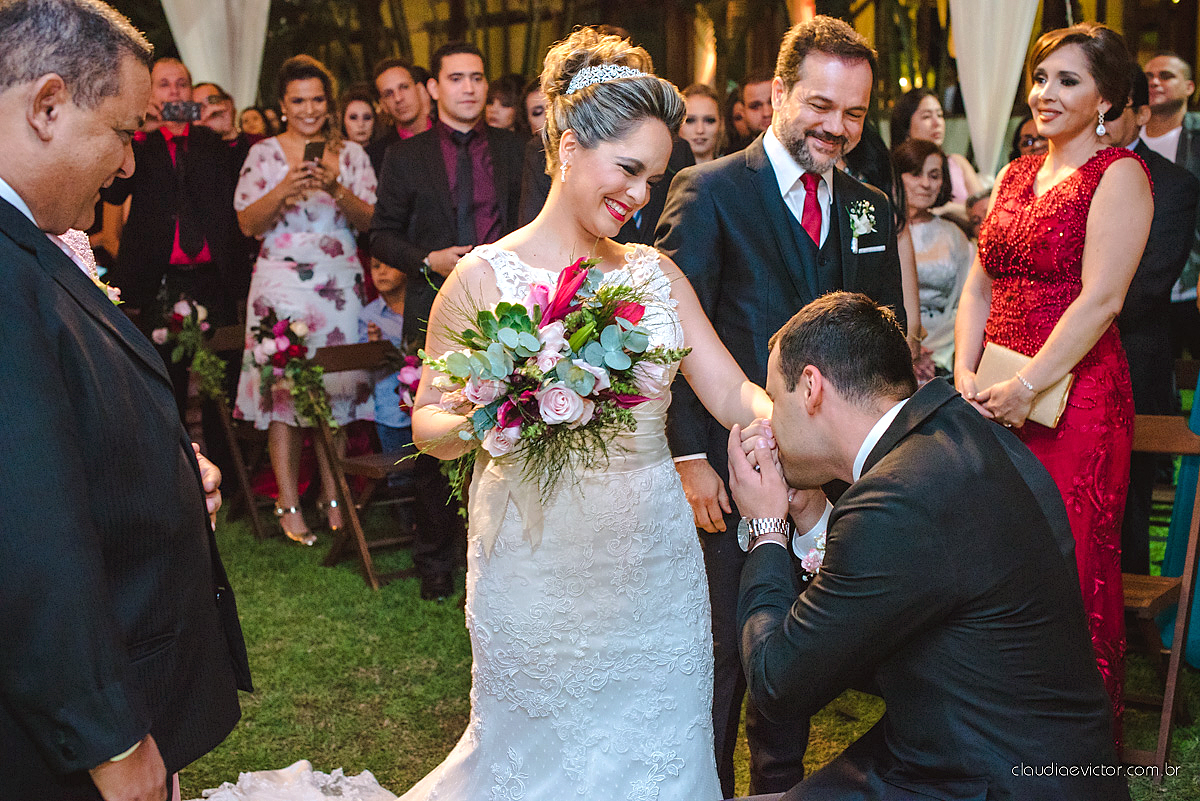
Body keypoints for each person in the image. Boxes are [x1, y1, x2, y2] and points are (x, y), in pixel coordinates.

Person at [404, 27, 774, 799]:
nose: (640, 196)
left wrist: (804, 424)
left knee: (660, 753)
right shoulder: (480, 277)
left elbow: (731, 391)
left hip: (652, 569)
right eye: (628, 170)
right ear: (570, 147)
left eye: (653, 179)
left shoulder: (657, 273)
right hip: (532, 567)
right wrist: (488, 411)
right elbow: (426, 426)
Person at [729, 292, 1130, 801]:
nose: (770, 425)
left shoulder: (898, 496)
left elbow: (777, 683)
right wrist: (810, 517)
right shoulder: (959, 434)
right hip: (1011, 753)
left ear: (811, 388)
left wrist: (765, 525)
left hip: (984, 779)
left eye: (775, 399)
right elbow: (893, 597)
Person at [0, 1, 251, 799]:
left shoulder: (30, 245)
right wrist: (110, 739)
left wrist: (168, 467)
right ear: (47, 106)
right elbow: (26, 531)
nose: (130, 166)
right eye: (122, 132)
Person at [655, 16, 907, 797]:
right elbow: (664, 329)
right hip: (731, 473)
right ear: (779, 94)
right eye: (822, 105)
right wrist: (689, 456)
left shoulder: (868, 205)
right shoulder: (711, 189)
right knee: (729, 653)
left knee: (802, 650)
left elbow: (884, 337)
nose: (838, 126)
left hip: (834, 478)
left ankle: (776, 789)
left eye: (855, 112)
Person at [954, 22, 1152, 746]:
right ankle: (995, 737)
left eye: (1067, 80)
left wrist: (1028, 385)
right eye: (1041, 78)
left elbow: (1102, 300)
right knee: (994, 564)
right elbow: (979, 284)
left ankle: (1074, 752)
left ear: (1105, 96)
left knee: (1068, 566)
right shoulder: (1012, 174)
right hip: (993, 395)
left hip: (1076, 400)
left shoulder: (1119, 175)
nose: (1044, 93)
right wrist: (965, 372)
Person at [370, 40, 523, 600]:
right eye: (456, 78)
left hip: (509, 311)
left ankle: (503, 554)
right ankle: (434, 558)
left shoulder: (515, 150)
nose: (469, 87)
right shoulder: (404, 157)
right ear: (433, 88)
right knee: (439, 432)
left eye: (477, 77)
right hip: (436, 306)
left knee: (512, 425)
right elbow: (381, 232)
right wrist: (425, 259)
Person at [233, 54, 377, 547]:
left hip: (339, 283)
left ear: (329, 103)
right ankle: (288, 502)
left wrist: (335, 185)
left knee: (334, 391)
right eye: (298, 101)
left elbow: (369, 221)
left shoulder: (352, 155)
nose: (309, 109)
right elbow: (247, 225)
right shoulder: (263, 155)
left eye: (317, 99)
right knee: (284, 396)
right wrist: (283, 190)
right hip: (281, 284)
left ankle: (334, 497)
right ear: (282, 105)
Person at [101, 57, 247, 483]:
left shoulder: (214, 142)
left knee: (224, 380)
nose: (175, 93)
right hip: (158, 281)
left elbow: (246, 177)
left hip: (214, 280)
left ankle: (229, 479)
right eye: (164, 85)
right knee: (164, 382)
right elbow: (113, 192)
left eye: (182, 84)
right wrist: (131, 134)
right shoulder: (139, 144)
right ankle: (174, 477)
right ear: (150, 95)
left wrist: (229, 131)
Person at [1105, 64, 1200, 574]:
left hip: (1131, 359)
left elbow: (1146, 286)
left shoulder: (1173, 185)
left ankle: (1123, 627)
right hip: (1058, 358)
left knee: (1128, 503)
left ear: (1139, 115)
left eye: (1112, 110)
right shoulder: (1068, 175)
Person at [893, 137, 972, 375]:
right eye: (915, 174)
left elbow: (964, 303)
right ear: (897, 176)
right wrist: (907, 349)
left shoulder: (953, 234)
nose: (926, 184)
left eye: (934, 175)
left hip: (946, 349)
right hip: (890, 346)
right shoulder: (885, 229)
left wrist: (933, 353)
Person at [1142, 52, 1200, 362]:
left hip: (1193, 285)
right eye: (1148, 76)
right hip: (1144, 289)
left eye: (1166, 76)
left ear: (1189, 87)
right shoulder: (1126, 137)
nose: (1155, 82)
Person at [358, 259, 413, 493]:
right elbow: (362, 363)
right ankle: (406, 519)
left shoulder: (421, 306)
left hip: (423, 405)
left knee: (427, 469)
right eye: (375, 267)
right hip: (391, 409)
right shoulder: (370, 315)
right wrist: (373, 347)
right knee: (399, 474)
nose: (381, 272)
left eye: (389, 265)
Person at [890, 88, 983, 215]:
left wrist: (948, 209)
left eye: (939, 115)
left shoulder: (957, 162)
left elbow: (986, 209)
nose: (936, 123)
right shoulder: (893, 167)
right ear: (905, 125)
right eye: (926, 116)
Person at [365, 57, 432, 176]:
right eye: (388, 94)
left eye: (404, 87)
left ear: (421, 90)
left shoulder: (452, 138)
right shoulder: (376, 157)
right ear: (383, 105)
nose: (398, 98)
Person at [681, 83, 724, 164]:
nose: (700, 130)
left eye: (709, 120)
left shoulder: (734, 173)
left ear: (721, 124)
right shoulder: (661, 173)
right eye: (690, 120)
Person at [741, 70, 774, 136]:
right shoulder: (739, 146)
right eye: (755, 106)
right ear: (743, 112)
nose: (767, 113)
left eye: (773, 102)